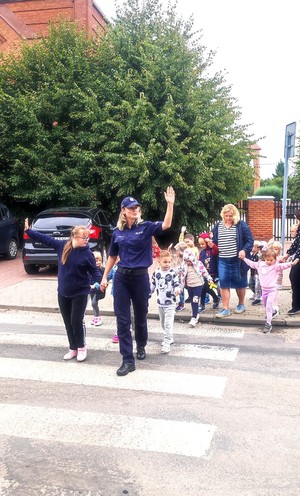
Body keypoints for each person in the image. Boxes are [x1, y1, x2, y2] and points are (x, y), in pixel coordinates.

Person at [100, 187, 175, 376]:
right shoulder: (117, 232)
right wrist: (104, 278)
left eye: (137, 208)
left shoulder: (146, 227)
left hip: (141, 278)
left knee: (140, 317)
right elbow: (111, 256)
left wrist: (170, 204)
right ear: (123, 210)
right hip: (122, 278)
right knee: (123, 320)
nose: (135, 210)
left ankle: (141, 344)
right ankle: (127, 359)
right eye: (131, 208)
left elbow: (166, 225)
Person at [24, 219, 101, 361]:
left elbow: (94, 271)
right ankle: (73, 348)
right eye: (84, 238)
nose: (86, 240)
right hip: (63, 292)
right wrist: (29, 231)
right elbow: (45, 239)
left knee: (76, 320)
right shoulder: (62, 246)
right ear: (74, 237)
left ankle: (82, 347)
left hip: (80, 292)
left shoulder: (87, 253)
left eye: (87, 237)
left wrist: (100, 281)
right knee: (67, 321)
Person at [240, 248, 298, 333]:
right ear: (264, 258)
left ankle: (268, 324)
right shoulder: (260, 264)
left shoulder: (276, 266)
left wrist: (292, 263)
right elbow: (251, 264)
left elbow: (284, 266)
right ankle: (274, 311)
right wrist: (244, 258)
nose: (269, 262)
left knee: (268, 306)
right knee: (265, 303)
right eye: (268, 260)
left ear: (275, 260)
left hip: (272, 290)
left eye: (271, 260)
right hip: (264, 290)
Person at [212, 203, 254, 318]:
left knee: (240, 283)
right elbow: (214, 241)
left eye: (230, 215)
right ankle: (225, 308)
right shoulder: (218, 226)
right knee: (224, 283)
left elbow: (250, 240)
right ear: (223, 215)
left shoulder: (241, 225)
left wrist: (244, 250)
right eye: (226, 215)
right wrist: (211, 244)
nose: (228, 218)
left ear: (234, 215)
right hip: (222, 259)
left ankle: (241, 304)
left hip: (237, 260)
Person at [150, 250, 181, 353]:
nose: (167, 264)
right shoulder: (157, 272)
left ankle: (167, 343)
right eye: (165, 262)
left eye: (169, 262)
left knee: (168, 324)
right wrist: (147, 294)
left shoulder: (173, 273)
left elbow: (177, 284)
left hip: (170, 303)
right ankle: (170, 337)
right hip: (160, 303)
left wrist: (177, 290)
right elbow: (153, 285)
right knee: (163, 323)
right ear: (159, 261)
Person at [181, 248, 212, 327]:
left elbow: (204, 271)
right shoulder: (184, 265)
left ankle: (194, 318)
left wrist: (209, 279)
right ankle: (196, 313)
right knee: (192, 300)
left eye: (189, 260)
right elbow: (179, 271)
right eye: (186, 261)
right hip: (189, 285)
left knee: (195, 300)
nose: (188, 262)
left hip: (198, 285)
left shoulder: (199, 264)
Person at [198, 232, 219, 313]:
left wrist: (210, 242)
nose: (201, 246)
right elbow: (199, 263)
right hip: (204, 274)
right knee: (203, 288)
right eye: (200, 244)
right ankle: (202, 305)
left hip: (212, 274)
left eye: (203, 244)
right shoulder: (202, 252)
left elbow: (216, 249)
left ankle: (215, 299)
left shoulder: (212, 251)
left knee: (207, 288)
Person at [285, 222, 300, 314]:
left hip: (298, 258)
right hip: (297, 258)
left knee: (295, 277)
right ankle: (296, 305)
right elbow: (296, 244)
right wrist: (287, 255)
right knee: (294, 278)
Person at [90, 251, 105, 326]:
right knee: (93, 304)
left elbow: (103, 279)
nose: (98, 262)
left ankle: (98, 316)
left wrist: (96, 285)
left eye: (100, 260)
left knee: (94, 302)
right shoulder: (90, 269)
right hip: (91, 289)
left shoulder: (102, 270)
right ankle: (95, 316)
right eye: (96, 261)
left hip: (98, 290)